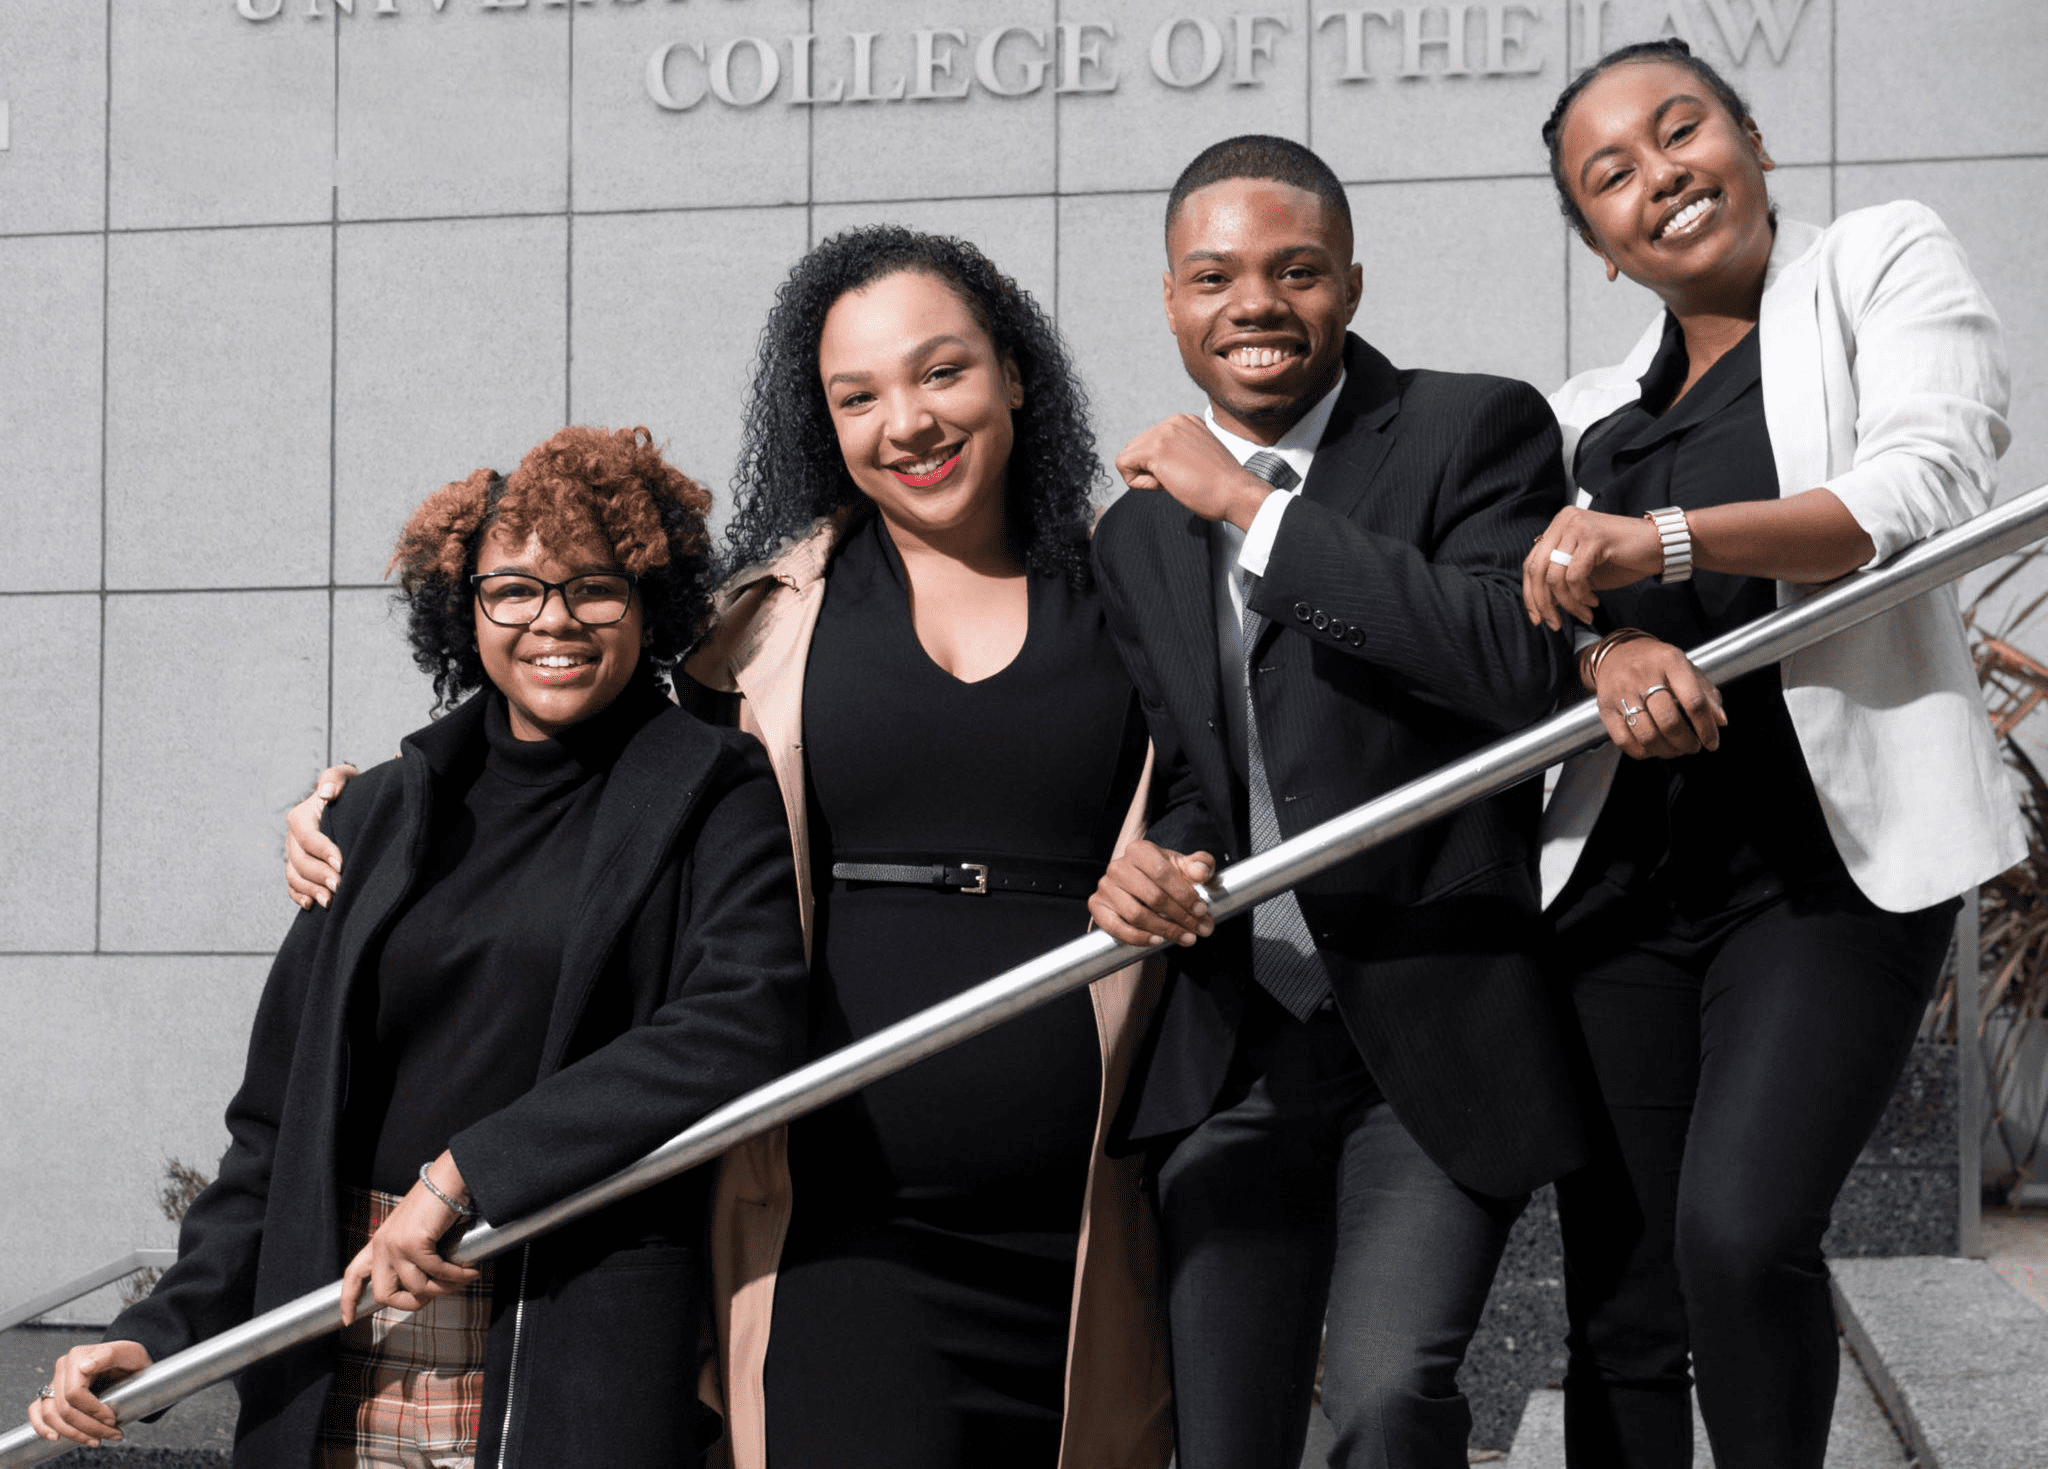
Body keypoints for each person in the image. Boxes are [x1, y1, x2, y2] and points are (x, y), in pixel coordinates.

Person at [288, 229, 1171, 1469]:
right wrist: (367, 794)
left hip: (1091, 1201)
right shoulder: (755, 625)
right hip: (836, 1214)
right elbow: (581, 765)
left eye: (941, 373)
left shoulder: (1137, 584)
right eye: (857, 395)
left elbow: (1225, 777)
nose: (905, 421)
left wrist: (1179, 850)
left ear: (1013, 374)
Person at [34, 426, 809, 1468]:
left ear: (648, 597)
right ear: (466, 607)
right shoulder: (375, 815)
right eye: (515, 590)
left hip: (557, 1319)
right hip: (336, 1324)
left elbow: (739, 1022)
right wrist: (160, 1331)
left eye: (595, 585)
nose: (555, 620)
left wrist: (467, 1175)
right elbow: (273, 1129)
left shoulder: (711, 788)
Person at [1522, 40, 2025, 1469]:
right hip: (1625, 890)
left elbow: (1925, 481)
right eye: (1608, 177)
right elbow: (1545, 603)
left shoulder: (1874, 266)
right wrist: (1602, 648)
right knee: (1622, 1298)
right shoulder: (1582, 421)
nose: (1658, 178)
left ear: (1752, 137)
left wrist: (1668, 545)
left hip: (1827, 876)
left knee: (1741, 1234)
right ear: (1602, 251)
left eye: (1679, 131)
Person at [1086, 135, 1587, 1469]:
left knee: (1384, 1396)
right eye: (1215, 276)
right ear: (1172, 299)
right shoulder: (1132, 533)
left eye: (1295, 270)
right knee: (1226, 1439)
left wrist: (1250, 507)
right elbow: (1198, 771)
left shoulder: (1470, 427)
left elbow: (1511, 662)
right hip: (1232, 1046)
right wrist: (1150, 859)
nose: (1254, 304)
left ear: (1350, 286)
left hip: (1427, 1035)